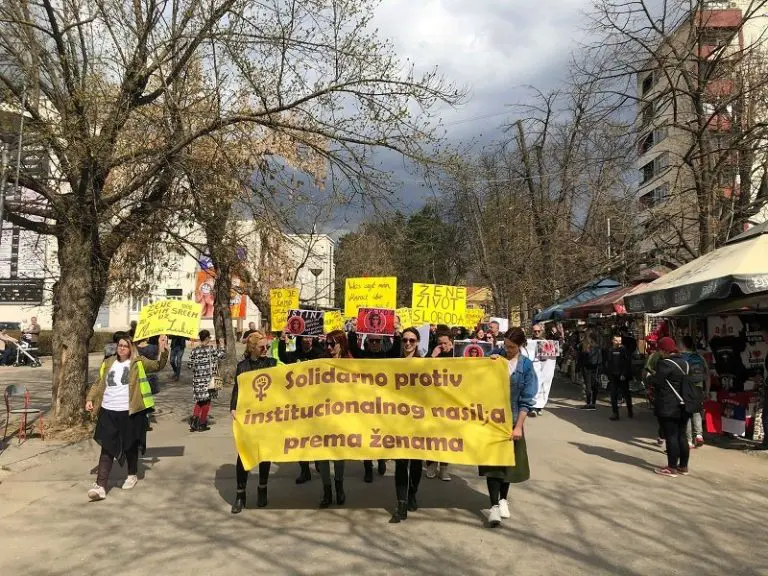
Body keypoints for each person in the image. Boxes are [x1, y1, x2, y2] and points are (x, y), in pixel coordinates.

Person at [84, 334, 169, 501]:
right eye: (120, 345)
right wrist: (90, 398)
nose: (122, 348)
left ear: (131, 348)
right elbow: (99, 382)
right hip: (108, 410)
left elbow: (158, 365)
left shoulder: (138, 362)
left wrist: (163, 349)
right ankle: (100, 486)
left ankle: (132, 474)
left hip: (129, 411)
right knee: (107, 447)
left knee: (130, 445)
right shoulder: (108, 362)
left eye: (125, 346)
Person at [482, 327, 536, 528]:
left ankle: (503, 498)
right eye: (505, 345)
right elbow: (475, 376)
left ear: (520, 346)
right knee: (492, 465)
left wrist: (518, 426)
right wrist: (488, 363)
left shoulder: (526, 366)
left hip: (512, 420)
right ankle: (494, 505)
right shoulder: (495, 356)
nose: (507, 350)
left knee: (508, 465)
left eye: (511, 347)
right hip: (492, 420)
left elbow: (526, 399)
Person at [231, 332, 277, 513]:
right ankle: (240, 495)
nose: (266, 349)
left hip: (266, 416)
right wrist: (233, 407)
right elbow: (237, 389)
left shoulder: (272, 364)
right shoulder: (242, 367)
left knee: (264, 454)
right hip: (248, 417)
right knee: (244, 455)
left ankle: (262, 489)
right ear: (252, 348)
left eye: (267, 346)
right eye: (262, 347)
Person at [349, 328, 399, 481]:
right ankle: (368, 468)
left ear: (382, 342)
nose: (375, 343)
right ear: (368, 342)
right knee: (366, 436)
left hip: (383, 404)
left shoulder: (386, 356)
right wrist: (352, 332)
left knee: (381, 434)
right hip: (366, 404)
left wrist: (397, 335)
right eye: (372, 341)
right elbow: (353, 348)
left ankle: (381, 459)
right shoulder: (362, 355)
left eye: (378, 341)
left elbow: (396, 351)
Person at [277, 329, 324, 484]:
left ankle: (318, 461)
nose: (308, 340)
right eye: (305, 337)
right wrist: (282, 340)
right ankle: (304, 470)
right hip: (299, 404)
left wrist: (323, 339)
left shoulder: (318, 354)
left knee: (317, 436)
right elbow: (283, 357)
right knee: (300, 438)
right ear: (301, 339)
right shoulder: (295, 354)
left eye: (310, 337)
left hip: (316, 403)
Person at [391, 327, 425, 523]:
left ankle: (412, 492)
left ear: (417, 342)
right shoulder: (392, 363)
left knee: (416, 463)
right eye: (405, 340)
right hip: (399, 421)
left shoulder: (425, 364)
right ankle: (401, 504)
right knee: (401, 463)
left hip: (419, 421)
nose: (408, 344)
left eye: (412, 340)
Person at [652, 337, 699, 477]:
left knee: (671, 436)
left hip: (669, 405)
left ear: (664, 350)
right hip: (685, 404)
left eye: (660, 350)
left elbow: (657, 382)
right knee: (682, 435)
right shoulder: (685, 363)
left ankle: (671, 467)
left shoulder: (664, 364)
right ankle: (683, 466)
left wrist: (649, 377)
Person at [317, 330, 350, 508]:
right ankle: (327, 490)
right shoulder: (320, 362)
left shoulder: (351, 363)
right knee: (322, 454)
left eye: (332, 344)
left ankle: (339, 487)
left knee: (338, 454)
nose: (328, 347)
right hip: (323, 415)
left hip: (342, 416)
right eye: (326, 344)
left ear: (341, 344)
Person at [425, 329, 454, 481]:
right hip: (433, 402)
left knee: (446, 436)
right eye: (440, 343)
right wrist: (432, 356)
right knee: (432, 434)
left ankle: (444, 468)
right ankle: (431, 464)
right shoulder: (432, 354)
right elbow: (420, 370)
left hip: (451, 402)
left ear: (451, 342)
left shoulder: (458, 354)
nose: (443, 346)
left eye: (445, 343)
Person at [187, 330, 225, 432]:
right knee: (207, 402)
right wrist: (222, 345)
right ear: (207, 338)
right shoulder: (210, 349)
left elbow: (189, 365)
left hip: (197, 380)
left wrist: (198, 366)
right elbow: (222, 355)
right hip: (208, 380)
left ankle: (194, 422)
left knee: (199, 401)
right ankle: (202, 423)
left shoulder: (194, 350)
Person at [680, 335, 709, 448]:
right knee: (697, 411)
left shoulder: (681, 357)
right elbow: (707, 375)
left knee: (686, 413)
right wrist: (707, 390)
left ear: (682, 345)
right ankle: (699, 435)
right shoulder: (700, 357)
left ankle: (689, 441)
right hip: (698, 387)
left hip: (686, 388)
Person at [607, 334, 634, 421]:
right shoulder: (610, 350)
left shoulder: (623, 350)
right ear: (612, 341)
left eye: (620, 341)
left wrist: (624, 374)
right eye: (616, 340)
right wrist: (608, 374)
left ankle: (630, 410)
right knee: (613, 395)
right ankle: (615, 413)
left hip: (622, 376)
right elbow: (609, 363)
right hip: (613, 376)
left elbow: (627, 363)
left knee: (626, 394)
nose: (618, 342)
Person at [579, 331, 601, 410]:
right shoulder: (597, 347)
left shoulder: (584, 346)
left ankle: (588, 403)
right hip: (595, 367)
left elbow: (581, 358)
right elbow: (600, 359)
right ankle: (593, 403)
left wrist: (579, 368)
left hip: (586, 368)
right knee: (594, 385)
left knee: (588, 385)